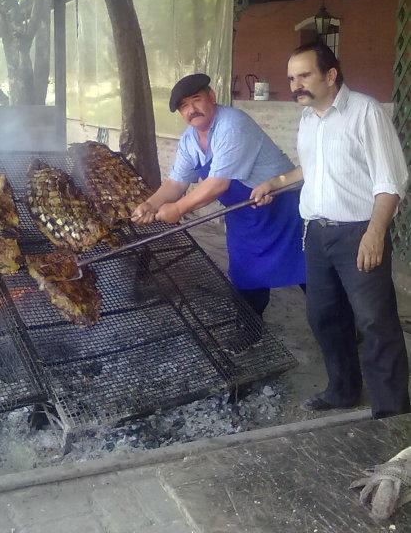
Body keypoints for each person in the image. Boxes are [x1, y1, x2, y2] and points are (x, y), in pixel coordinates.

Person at [251, 42, 409, 418]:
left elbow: (391, 181)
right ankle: (342, 391)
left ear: (331, 75)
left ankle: (392, 408)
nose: (295, 85)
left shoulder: (365, 113)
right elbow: (311, 168)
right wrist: (276, 182)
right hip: (317, 234)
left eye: (304, 75)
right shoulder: (309, 119)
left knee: (375, 320)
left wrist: (375, 233)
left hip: (359, 233)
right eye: (291, 78)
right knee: (323, 315)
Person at [131, 73, 306, 316]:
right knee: (245, 275)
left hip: (281, 207)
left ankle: (342, 323)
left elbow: (218, 185)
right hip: (244, 214)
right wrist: (150, 204)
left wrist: (178, 209)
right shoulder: (190, 140)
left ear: (211, 97)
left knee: (307, 270)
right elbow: (175, 182)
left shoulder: (232, 125)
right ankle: (249, 331)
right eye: (184, 106)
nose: (191, 110)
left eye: (196, 99)